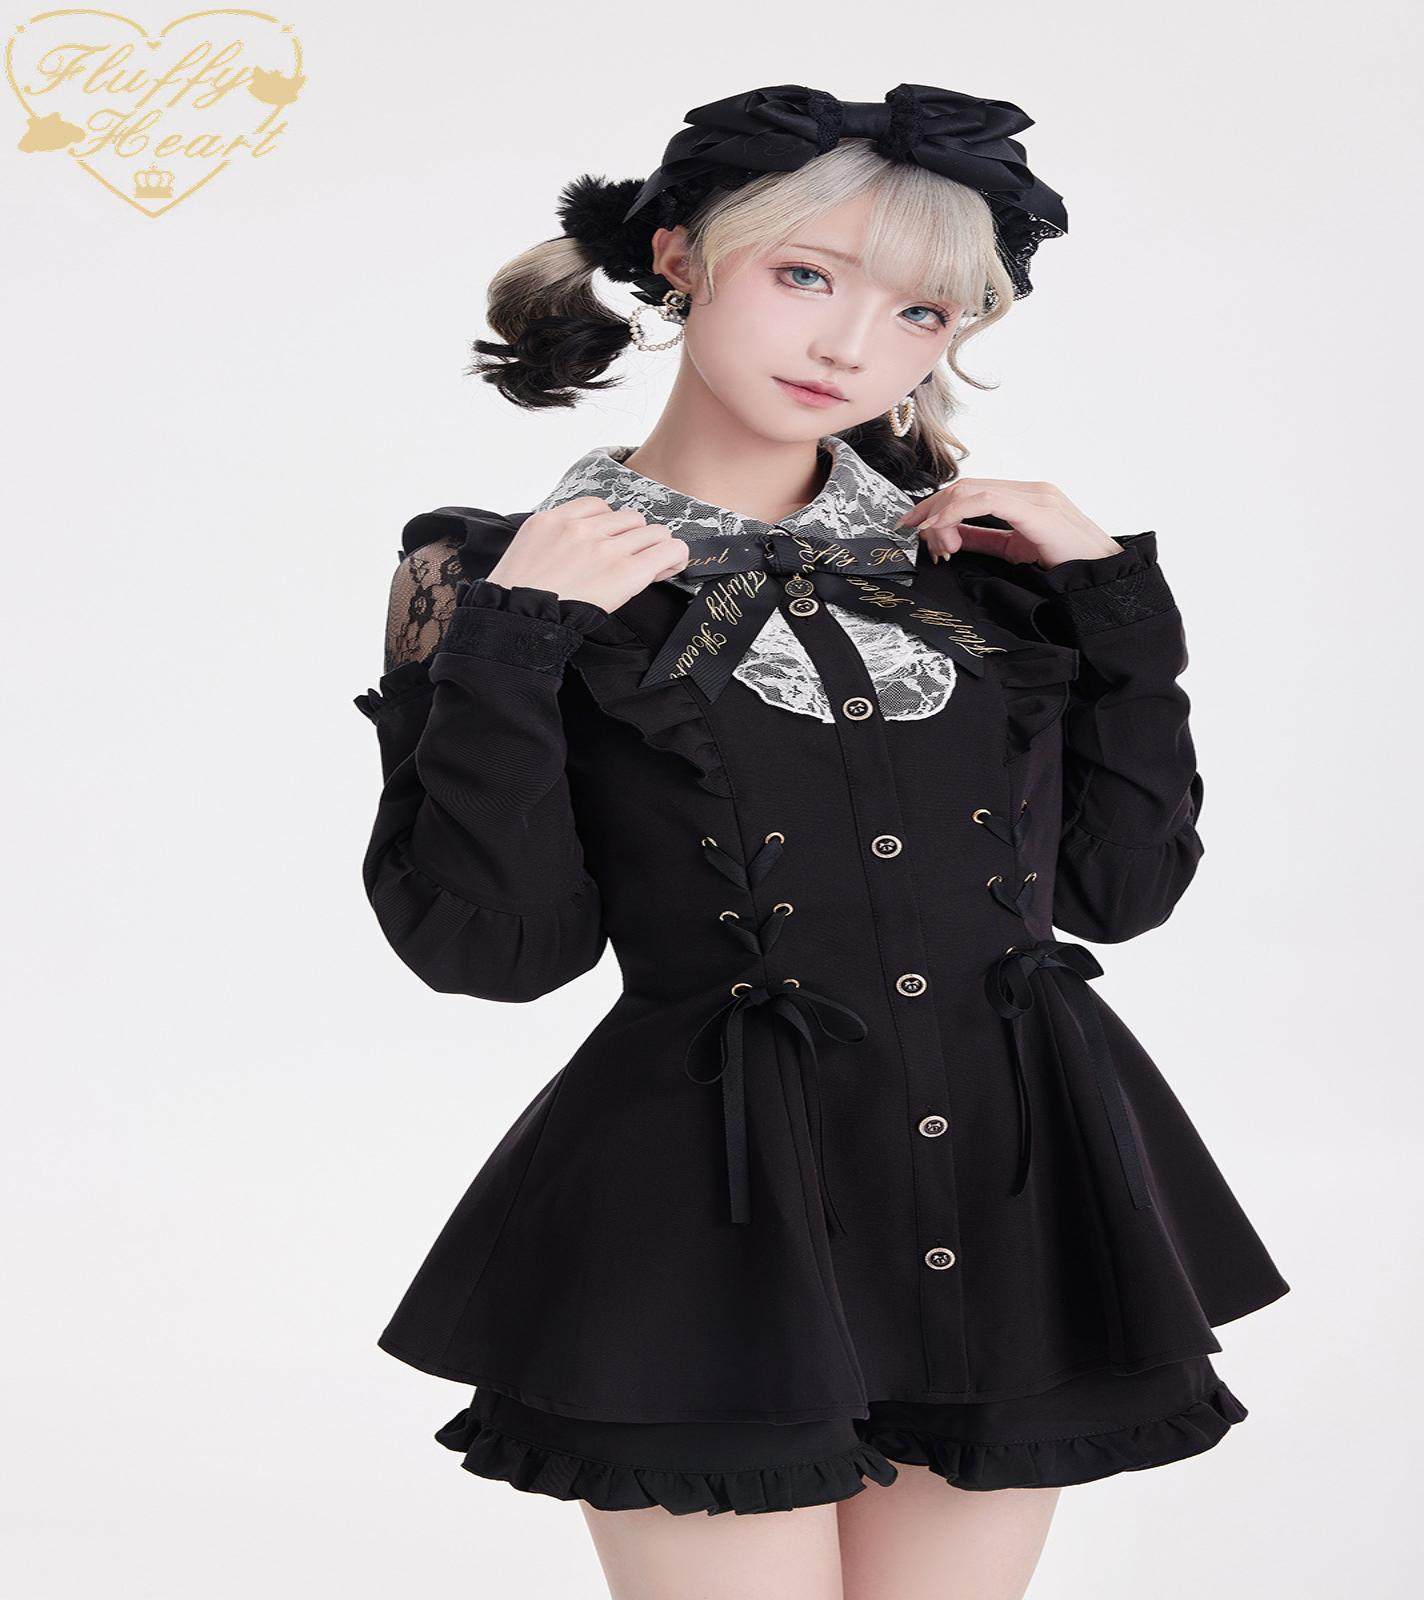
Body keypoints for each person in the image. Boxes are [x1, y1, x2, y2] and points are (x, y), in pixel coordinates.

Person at [353, 82, 1290, 1600]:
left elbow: (1121, 891)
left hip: (1014, 1199)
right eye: (806, 275)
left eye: (922, 312)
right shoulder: (496, 578)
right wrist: (515, 649)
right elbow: (498, 950)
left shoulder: (985, 573)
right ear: (680, 256)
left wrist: (1118, 611)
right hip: (706, 1222)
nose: (852, 346)